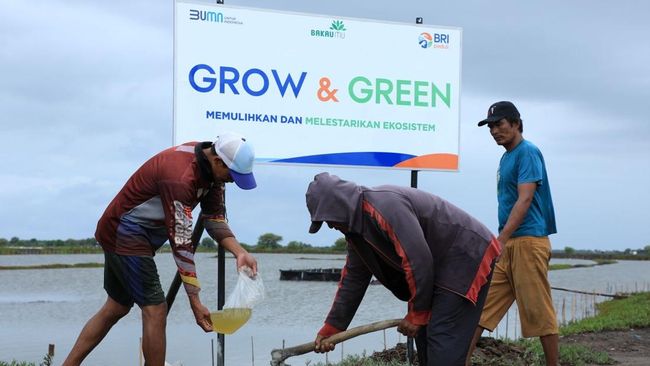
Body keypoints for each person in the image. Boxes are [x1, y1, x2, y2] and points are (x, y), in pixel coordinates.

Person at [62, 132, 259, 366]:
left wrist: (239, 252)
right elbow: (182, 243)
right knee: (155, 309)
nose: (232, 181)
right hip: (124, 230)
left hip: (134, 233)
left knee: (116, 307)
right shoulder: (180, 177)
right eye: (232, 176)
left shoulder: (213, 172)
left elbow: (213, 217)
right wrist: (195, 301)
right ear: (218, 162)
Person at [306, 172, 502, 366]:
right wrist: (333, 327)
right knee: (426, 340)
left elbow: (417, 260)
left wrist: (417, 312)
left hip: (465, 253)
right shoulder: (356, 231)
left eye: (327, 219)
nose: (330, 226)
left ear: (340, 205)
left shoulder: (385, 205)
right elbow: (353, 279)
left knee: (443, 339)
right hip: (438, 266)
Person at [466, 101, 559, 365]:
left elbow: (525, 199)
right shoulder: (506, 157)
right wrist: (503, 241)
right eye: (491, 126)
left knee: (538, 312)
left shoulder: (527, 152)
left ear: (516, 124)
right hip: (508, 246)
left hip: (528, 242)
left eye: (500, 124)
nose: (495, 130)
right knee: (479, 311)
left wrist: (501, 239)